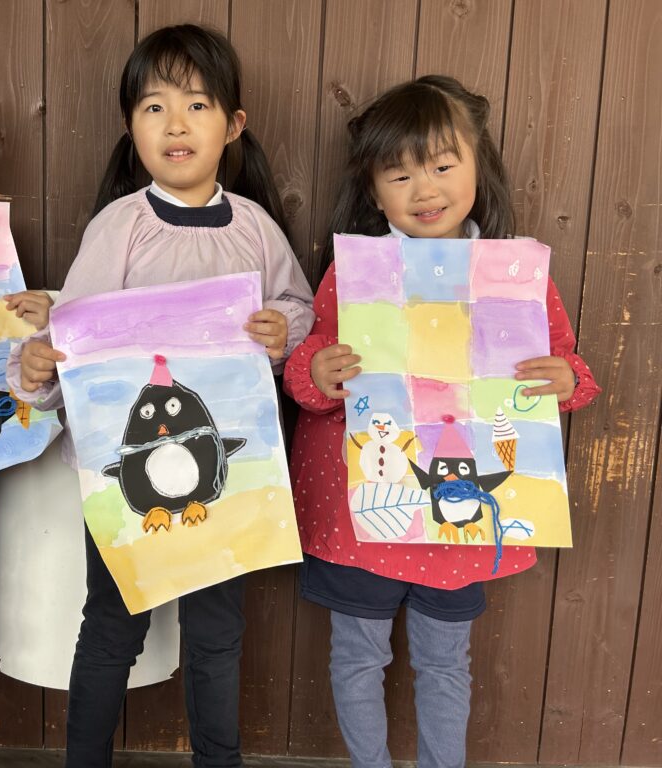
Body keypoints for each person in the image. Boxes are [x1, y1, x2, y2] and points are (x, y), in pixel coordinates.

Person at [6, 24, 314, 768]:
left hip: (226, 477)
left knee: (217, 633)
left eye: (197, 105)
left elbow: (299, 312)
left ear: (232, 126)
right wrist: (37, 372)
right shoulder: (120, 227)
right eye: (154, 107)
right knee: (113, 625)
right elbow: (74, 345)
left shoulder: (256, 229)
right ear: (130, 126)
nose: (176, 124)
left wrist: (282, 332)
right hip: (124, 475)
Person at [283, 74, 601, 768]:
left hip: (460, 525)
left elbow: (564, 368)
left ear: (478, 167)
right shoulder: (355, 272)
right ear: (374, 191)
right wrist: (317, 372)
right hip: (364, 510)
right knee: (357, 657)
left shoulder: (514, 276)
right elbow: (310, 370)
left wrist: (567, 379)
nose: (423, 189)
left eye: (442, 166)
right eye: (399, 174)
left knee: (445, 662)